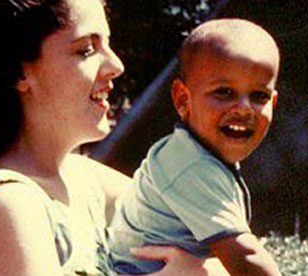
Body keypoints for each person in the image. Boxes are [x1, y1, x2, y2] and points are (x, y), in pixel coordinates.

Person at [0, 0, 223, 275]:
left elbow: (212, 238)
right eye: (87, 50)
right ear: (19, 71)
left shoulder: (81, 179)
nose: (116, 64)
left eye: (108, 44)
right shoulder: (4, 204)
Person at [107, 18, 282, 276]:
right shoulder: (190, 166)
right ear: (182, 99)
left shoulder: (198, 156)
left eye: (259, 96)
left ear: (273, 103)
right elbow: (246, 257)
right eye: (225, 92)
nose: (244, 108)